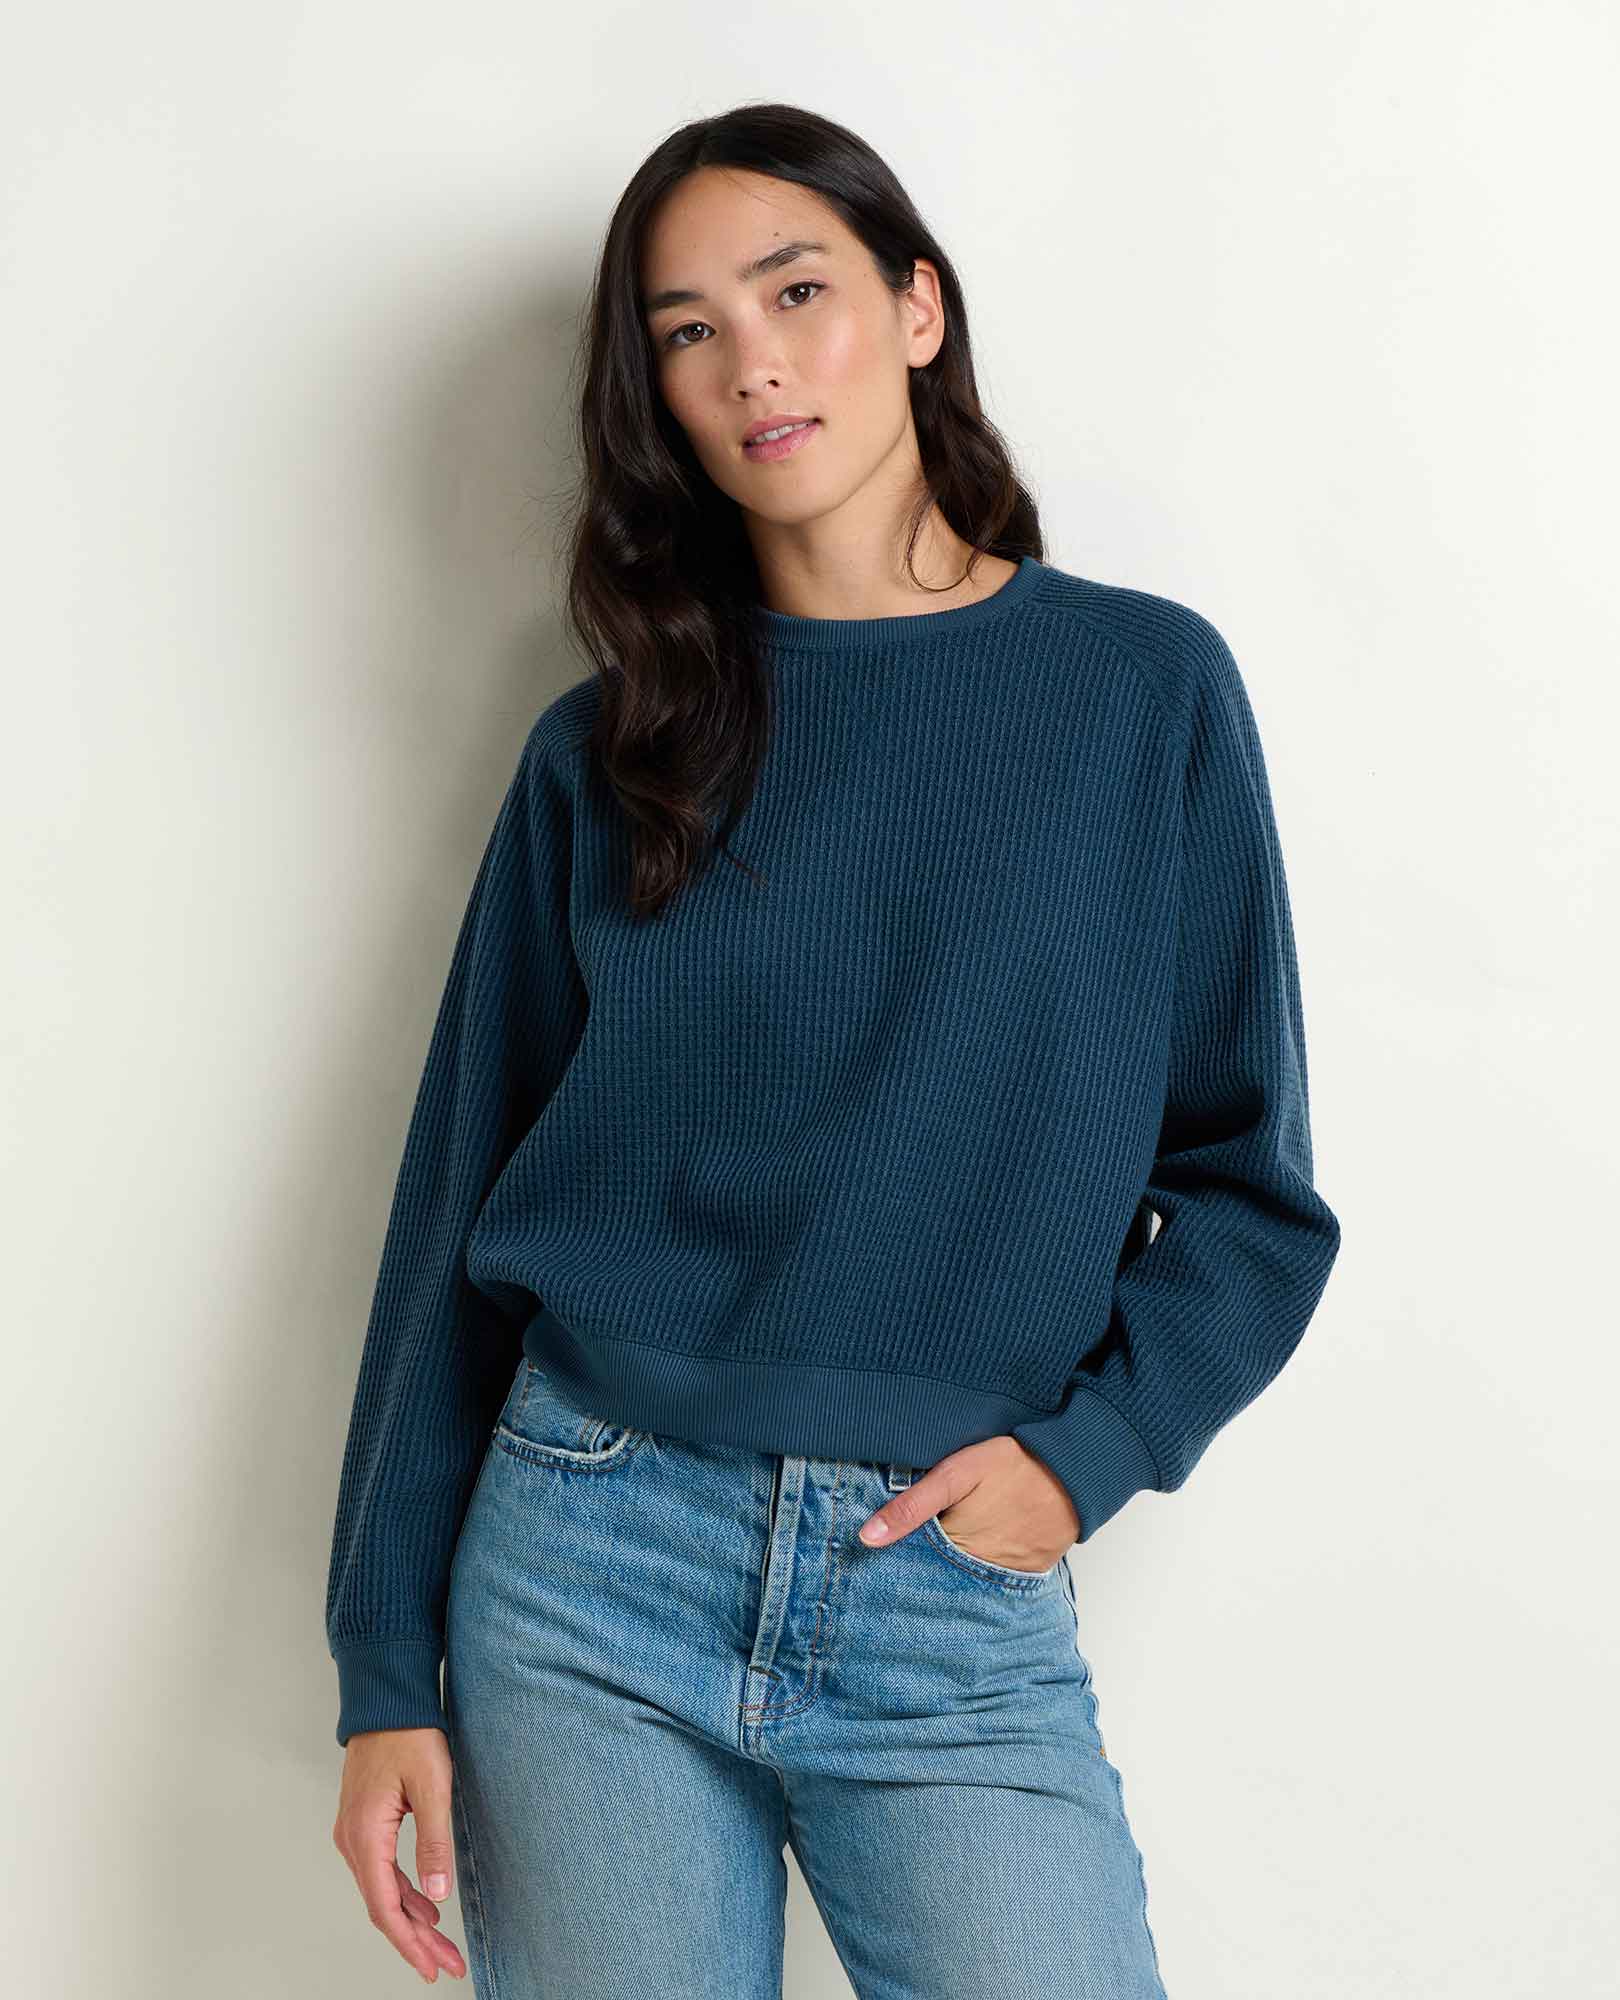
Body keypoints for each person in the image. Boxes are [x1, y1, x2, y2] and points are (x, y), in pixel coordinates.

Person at [326, 101, 1343, 1997]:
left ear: (918, 310)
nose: (753, 362)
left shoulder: (1140, 696)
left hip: (941, 1594)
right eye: (687, 329)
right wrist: (385, 1663)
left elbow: (1247, 1193)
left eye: (797, 291)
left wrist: (1088, 1457)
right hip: (583, 1570)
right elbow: (455, 1203)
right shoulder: (607, 751)